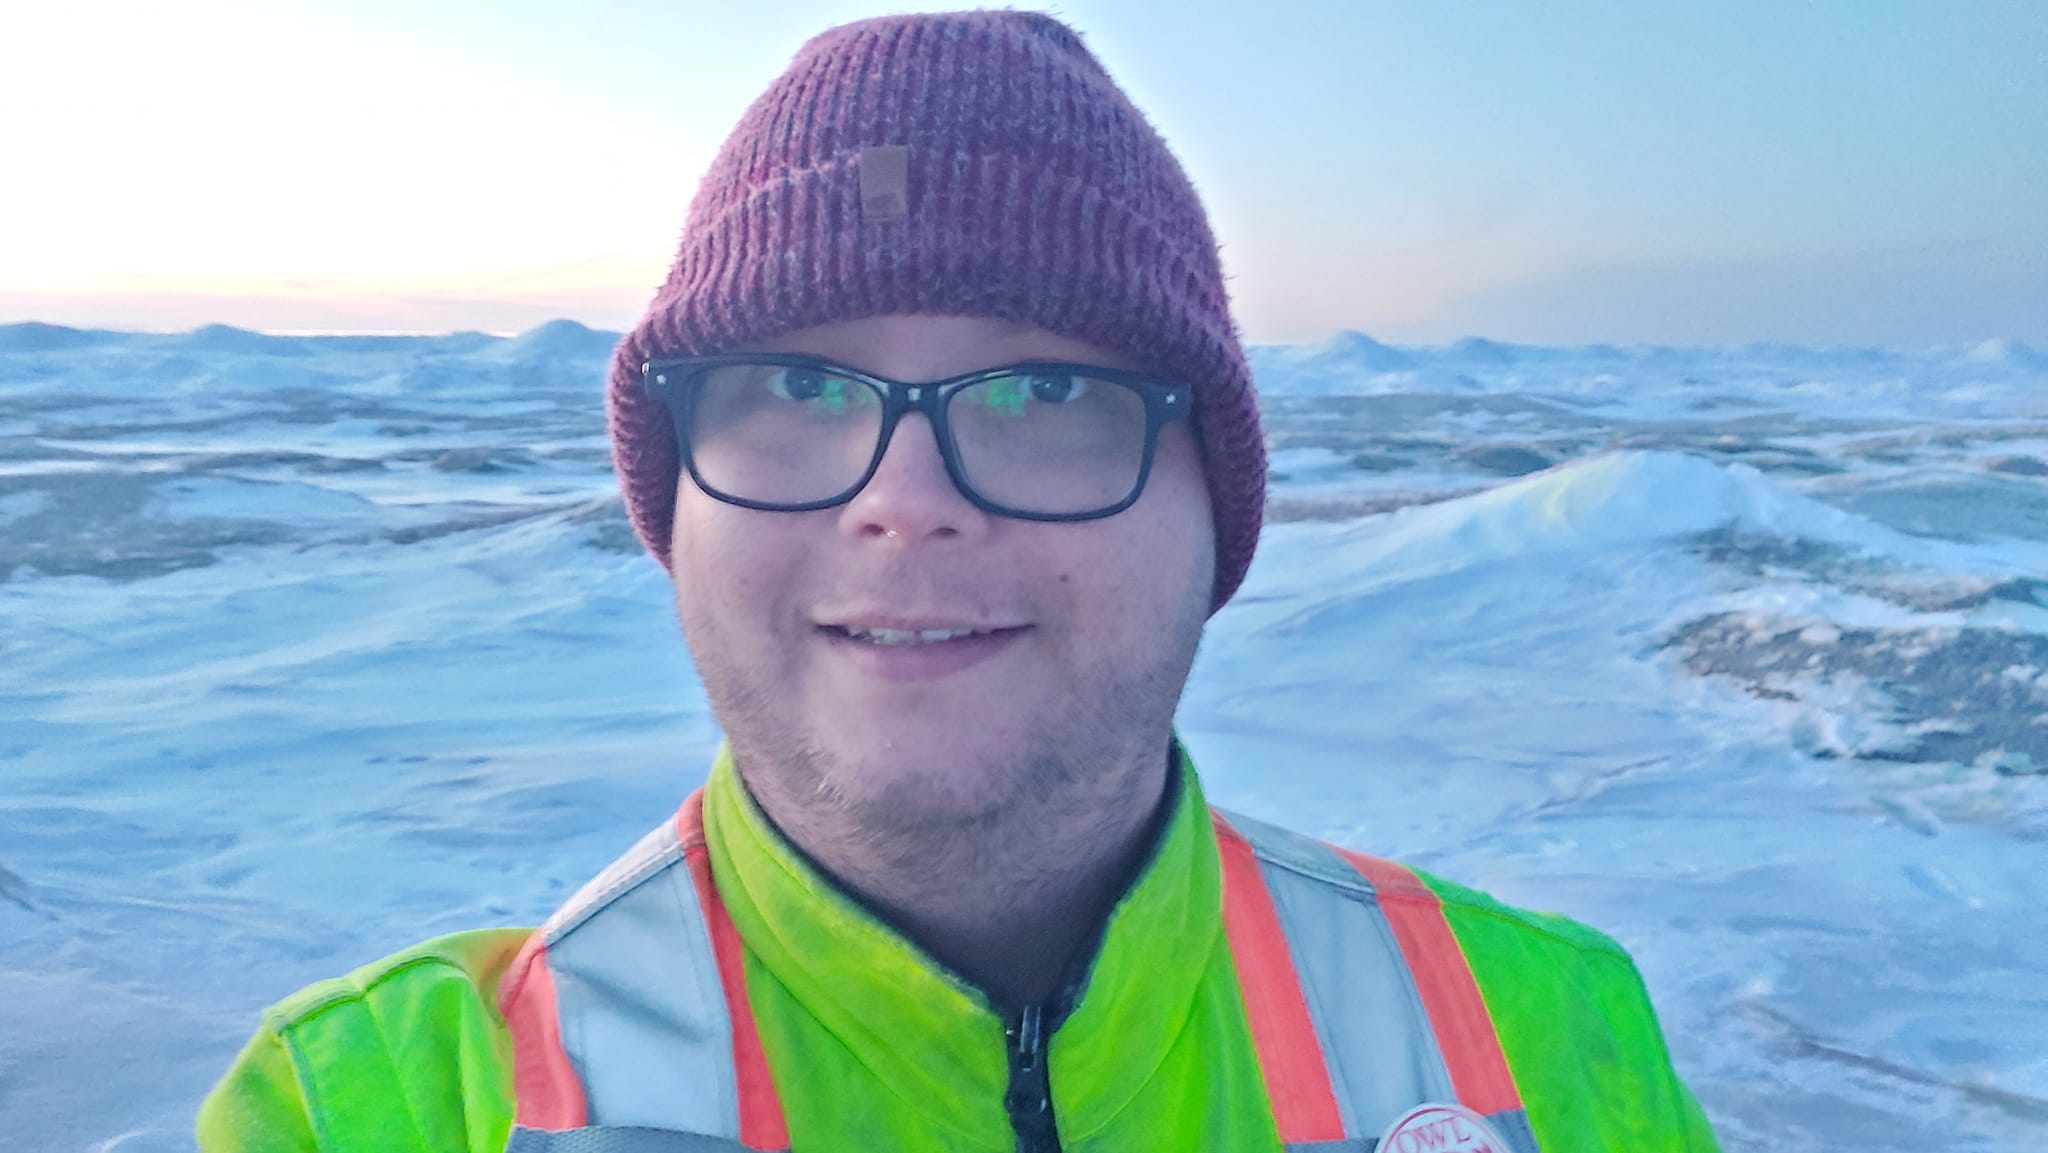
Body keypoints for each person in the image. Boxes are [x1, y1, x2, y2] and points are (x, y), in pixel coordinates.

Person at [197, 10, 1719, 1152]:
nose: (903, 504)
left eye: (1045, 396)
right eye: (796, 387)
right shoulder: (390, 1103)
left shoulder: (1540, 1043)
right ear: (674, 501)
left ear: (1215, 514)